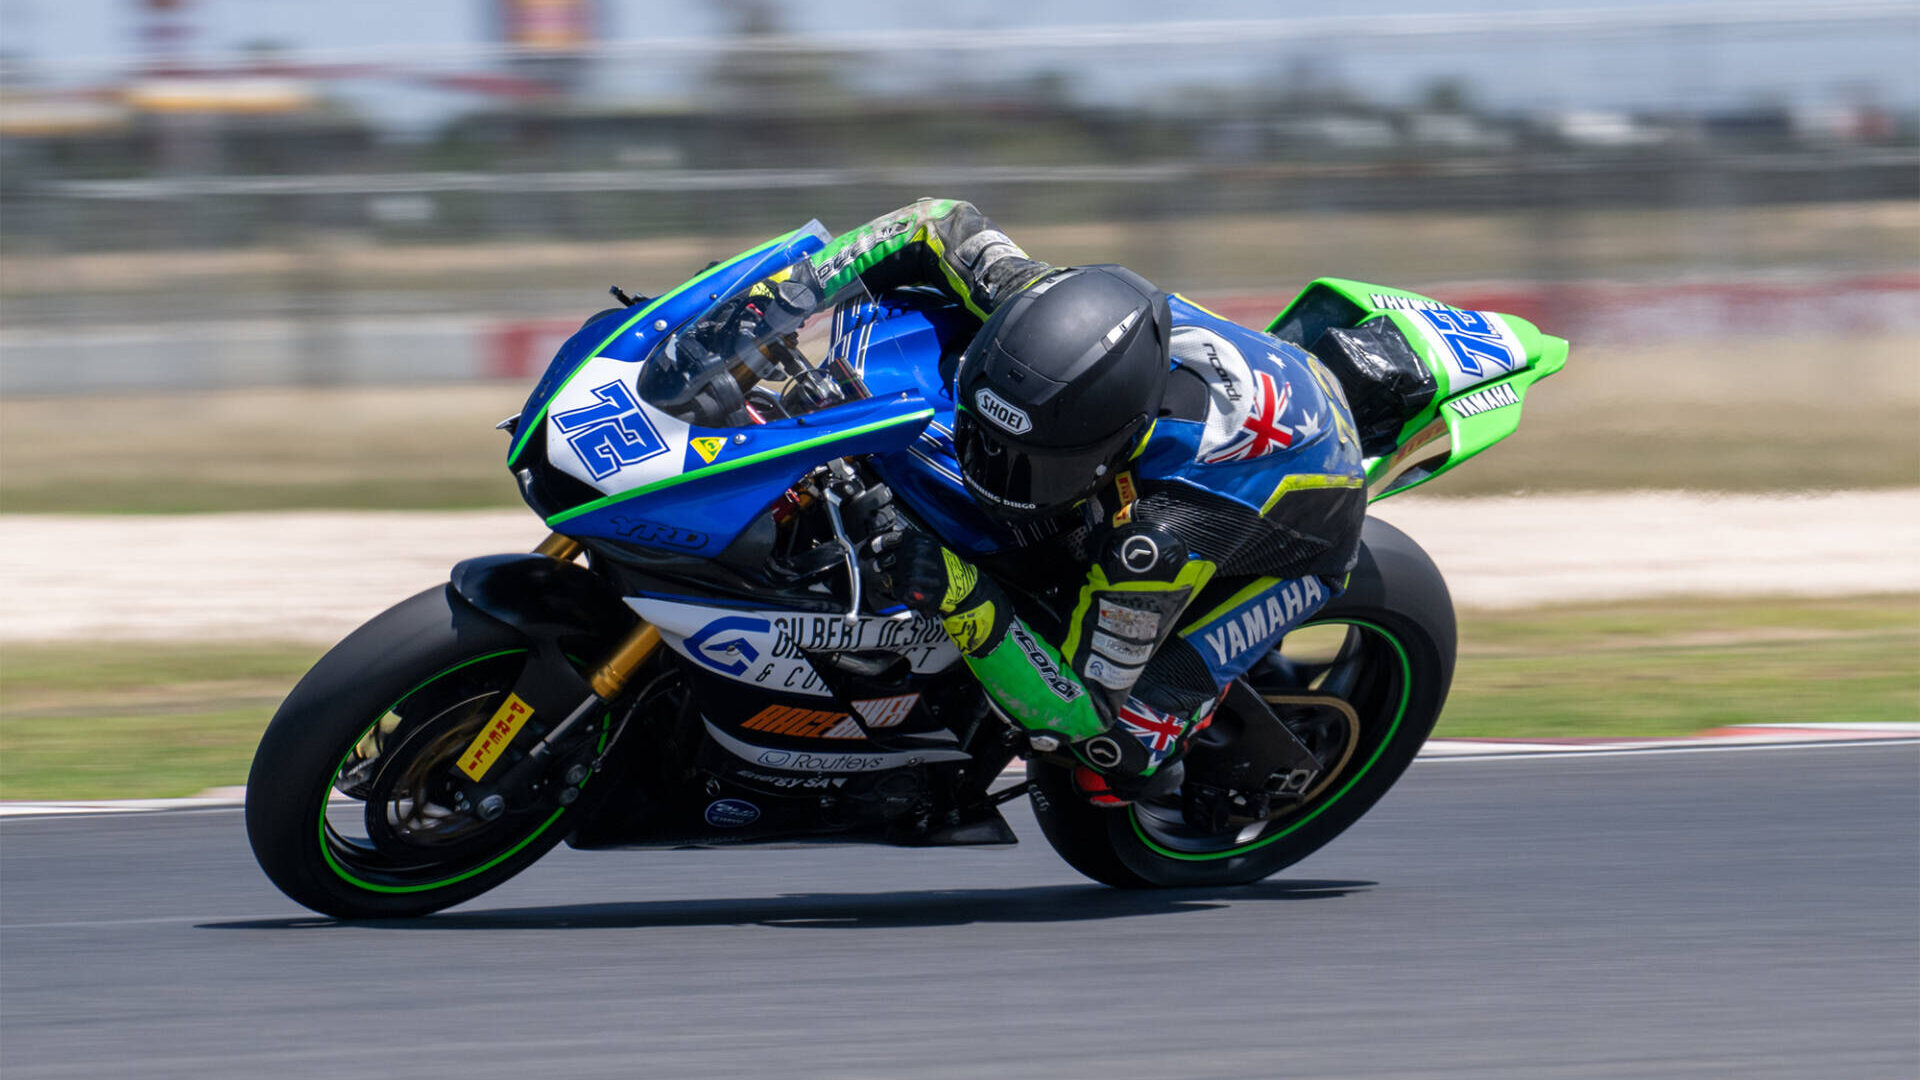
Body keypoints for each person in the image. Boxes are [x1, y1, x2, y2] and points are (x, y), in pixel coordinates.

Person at [815, 199, 1368, 807]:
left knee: (1115, 756)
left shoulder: (1156, 536)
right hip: (1231, 394)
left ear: (1116, 450)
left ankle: (1193, 727)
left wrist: (961, 593)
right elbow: (934, 222)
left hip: (1297, 531)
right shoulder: (1036, 301)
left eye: (1031, 465)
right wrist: (786, 291)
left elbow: (1082, 709)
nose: (992, 471)